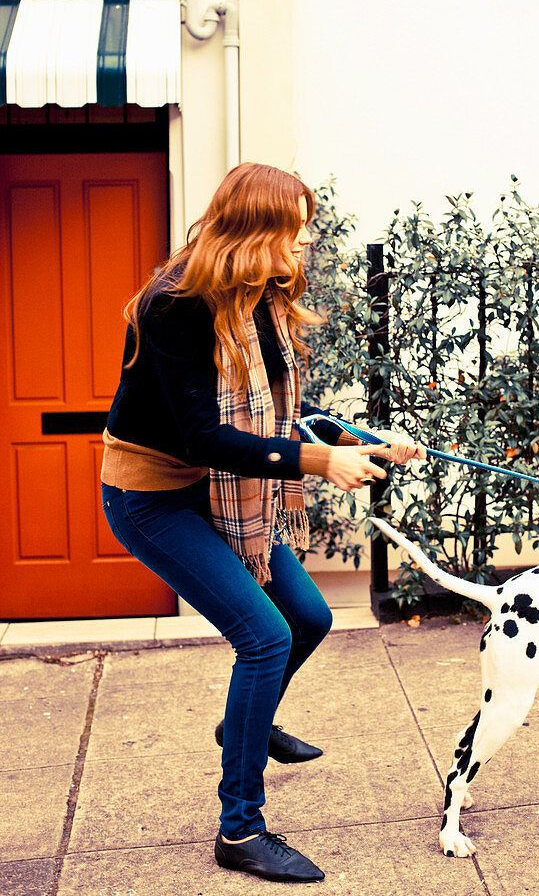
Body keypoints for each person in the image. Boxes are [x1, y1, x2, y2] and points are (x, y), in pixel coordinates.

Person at [100, 162, 424, 884]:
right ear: (255, 230)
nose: (304, 243)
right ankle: (239, 829)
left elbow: (278, 414)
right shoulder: (174, 304)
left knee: (307, 618)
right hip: (154, 497)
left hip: (224, 491)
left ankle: (240, 727)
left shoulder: (261, 295)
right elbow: (200, 436)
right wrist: (314, 463)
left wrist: (356, 443)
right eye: (295, 228)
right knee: (264, 636)